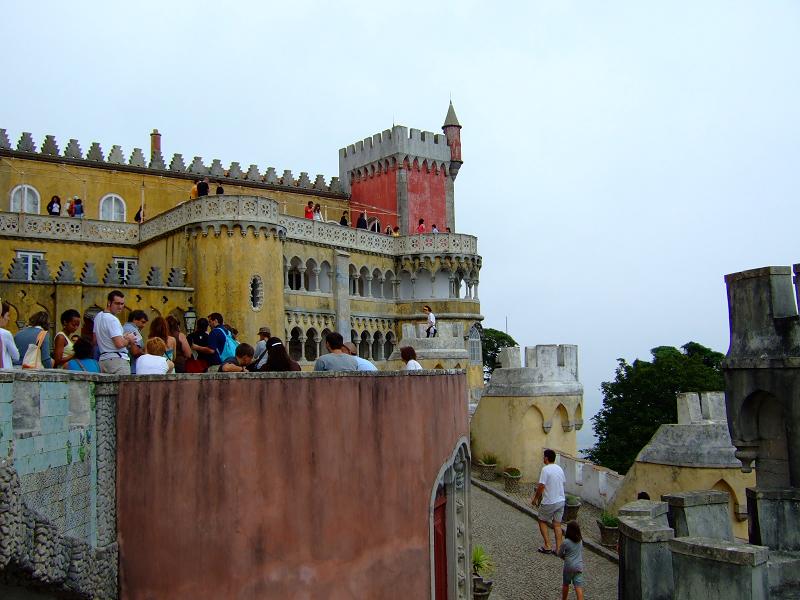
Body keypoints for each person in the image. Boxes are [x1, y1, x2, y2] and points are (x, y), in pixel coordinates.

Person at [532, 448, 567, 554]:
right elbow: (563, 482)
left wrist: (535, 498)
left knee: (542, 520)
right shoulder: (559, 469)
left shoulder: (545, 469)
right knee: (557, 525)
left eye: (544, 456)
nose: (543, 458)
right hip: (561, 500)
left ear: (546, 458)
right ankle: (559, 549)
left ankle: (547, 545)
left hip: (549, 501)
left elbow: (541, 486)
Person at [95, 290, 138, 374]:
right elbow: (119, 344)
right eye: (117, 303)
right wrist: (129, 339)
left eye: (122, 304)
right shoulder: (112, 319)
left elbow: (95, 339)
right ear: (109, 302)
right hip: (117, 361)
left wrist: (122, 337)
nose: (120, 307)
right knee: (123, 387)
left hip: (103, 360)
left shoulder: (98, 316)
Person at [558, 521, 585, 600]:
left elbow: (559, 553)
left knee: (566, 584)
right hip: (579, 566)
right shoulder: (580, 541)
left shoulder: (566, 542)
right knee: (578, 587)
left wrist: (564, 557)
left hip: (569, 566)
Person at [123, 310, 148, 374]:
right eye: (142, 322)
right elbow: (135, 352)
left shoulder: (123, 327)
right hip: (132, 367)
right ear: (134, 319)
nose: (144, 325)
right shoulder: (134, 330)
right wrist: (146, 353)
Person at [0, 302, 19, 369]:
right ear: (1, 316)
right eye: (7, 315)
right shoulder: (5, 333)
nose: (9, 319)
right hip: (5, 373)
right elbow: (16, 356)